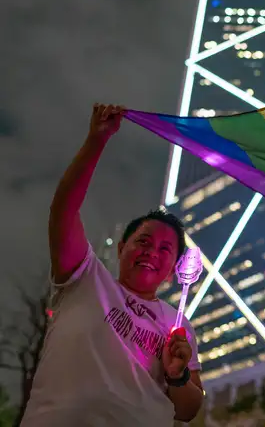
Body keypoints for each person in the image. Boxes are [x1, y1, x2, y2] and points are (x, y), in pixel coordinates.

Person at [22, 104, 204, 426]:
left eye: (165, 249)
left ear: (173, 269)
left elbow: (188, 410)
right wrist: (97, 140)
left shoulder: (178, 326)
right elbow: (64, 210)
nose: (152, 252)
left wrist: (178, 376)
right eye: (143, 241)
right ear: (122, 248)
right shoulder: (84, 278)